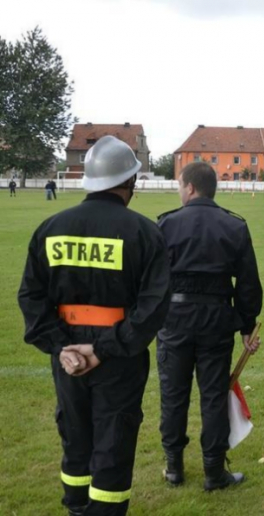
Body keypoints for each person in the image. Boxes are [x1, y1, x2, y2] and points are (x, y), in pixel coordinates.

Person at [18, 135, 171, 515]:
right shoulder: (144, 233)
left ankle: (74, 507)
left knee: (75, 437)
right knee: (113, 442)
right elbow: (153, 308)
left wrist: (61, 347)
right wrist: (103, 349)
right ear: (130, 183)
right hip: (117, 356)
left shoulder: (50, 228)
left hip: (68, 356)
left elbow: (31, 298)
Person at [156, 161, 263, 491]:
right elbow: (248, 283)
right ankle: (213, 472)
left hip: (174, 320)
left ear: (189, 187)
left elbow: (151, 281)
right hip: (216, 320)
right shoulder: (234, 226)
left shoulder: (166, 225)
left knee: (173, 394)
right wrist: (246, 324)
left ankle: (174, 466)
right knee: (213, 396)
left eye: (179, 185)